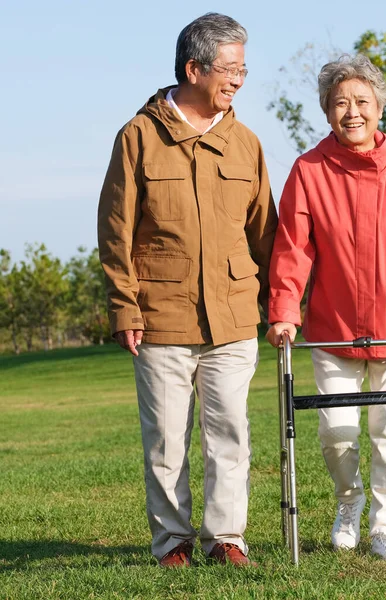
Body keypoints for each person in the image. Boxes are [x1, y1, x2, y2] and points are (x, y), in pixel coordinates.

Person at [98, 13, 277, 568]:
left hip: (234, 317)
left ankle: (227, 538)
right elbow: (115, 231)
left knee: (230, 435)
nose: (239, 79)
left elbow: (266, 232)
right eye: (230, 68)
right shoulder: (138, 136)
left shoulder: (246, 143)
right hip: (160, 317)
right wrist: (124, 307)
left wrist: (283, 301)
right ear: (193, 67)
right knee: (167, 441)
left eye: (244, 68)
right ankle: (173, 540)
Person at [266, 54, 386, 562]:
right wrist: (284, 309)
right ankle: (349, 502)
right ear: (327, 111)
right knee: (337, 429)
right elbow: (293, 248)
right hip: (333, 326)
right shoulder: (309, 169)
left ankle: (384, 529)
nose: (353, 112)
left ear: (380, 109)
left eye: (363, 102)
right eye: (341, 102)